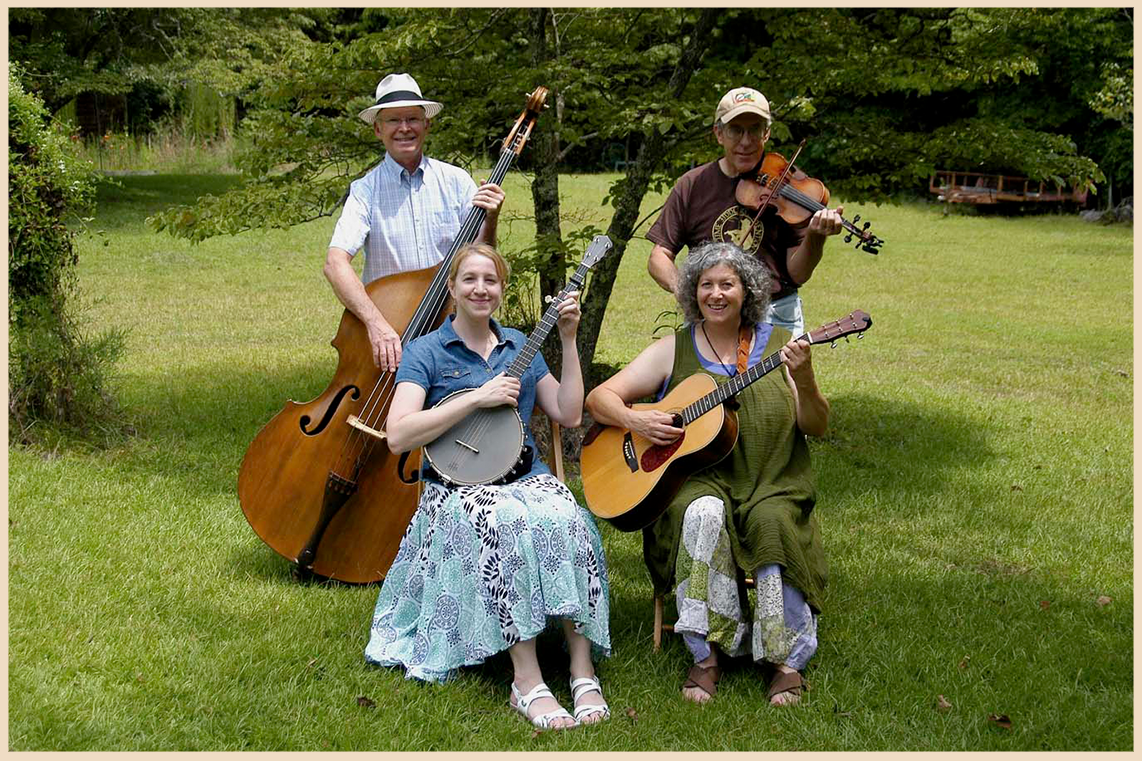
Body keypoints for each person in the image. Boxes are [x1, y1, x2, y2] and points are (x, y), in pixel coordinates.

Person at [365, 243, 611, 730]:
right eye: (470, 279)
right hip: (458, 487)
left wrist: (567, 341)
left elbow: (569, 413)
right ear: (452, 288)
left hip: (526, 477)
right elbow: (398, 435)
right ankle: (527, 681)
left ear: (501, 289)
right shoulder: (425, 351)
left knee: (567, 514)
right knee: (504, 521)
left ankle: (582, 670)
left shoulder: (519, 345)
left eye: (491, 280)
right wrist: (476, 398)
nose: (480, 288)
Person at [586, 241, 828, 706]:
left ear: (747, 291)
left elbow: (816, 425)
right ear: (693, 293)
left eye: (727, 284)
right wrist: (637, 421)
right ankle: (708, 651)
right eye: (706, 285)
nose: (716, 294)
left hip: (771, 481)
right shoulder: (673, 349)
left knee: (772, 523)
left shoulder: (782, 348)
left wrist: (807, 376)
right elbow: (600, 399)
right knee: (702, 514)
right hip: (698, 482)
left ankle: (784, 659)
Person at [324, 72, 507, 372]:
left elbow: (482, 257)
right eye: (393, 120)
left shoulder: (457, 181)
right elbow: (335, 264)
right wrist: (376, 325)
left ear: (426, 125)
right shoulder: (365, 191)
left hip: (451, 330)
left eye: (412, 119)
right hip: (392, 331)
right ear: (378, 129)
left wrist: (492, 218)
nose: (404, 128)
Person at [646, 86, 845, 337]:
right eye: (736, 130)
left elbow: (798, 274)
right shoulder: (692, 184)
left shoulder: (789, 186)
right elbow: (659, 256)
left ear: (766, 133)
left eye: (755, 129)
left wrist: (816, 237)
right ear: (719, 133)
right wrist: (688, 292)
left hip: (773, 312)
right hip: (710, 313)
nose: (746, 141)